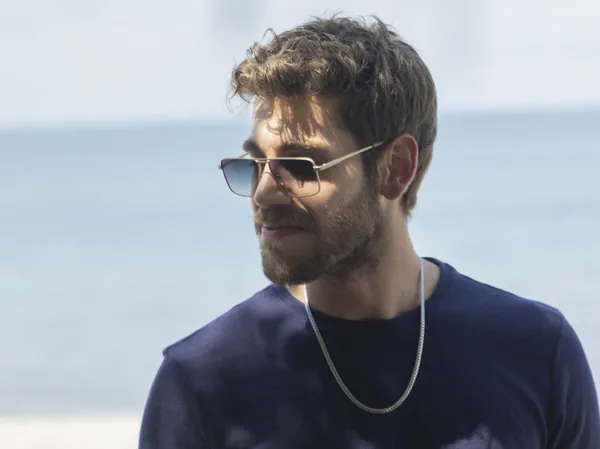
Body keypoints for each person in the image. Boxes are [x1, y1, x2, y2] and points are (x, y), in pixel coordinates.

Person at [138, 15, 599, 449]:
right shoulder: (201, 382)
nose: (263, 192)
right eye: (256, 163)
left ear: (395, 169)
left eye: (300, 165)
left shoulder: (537, 351)